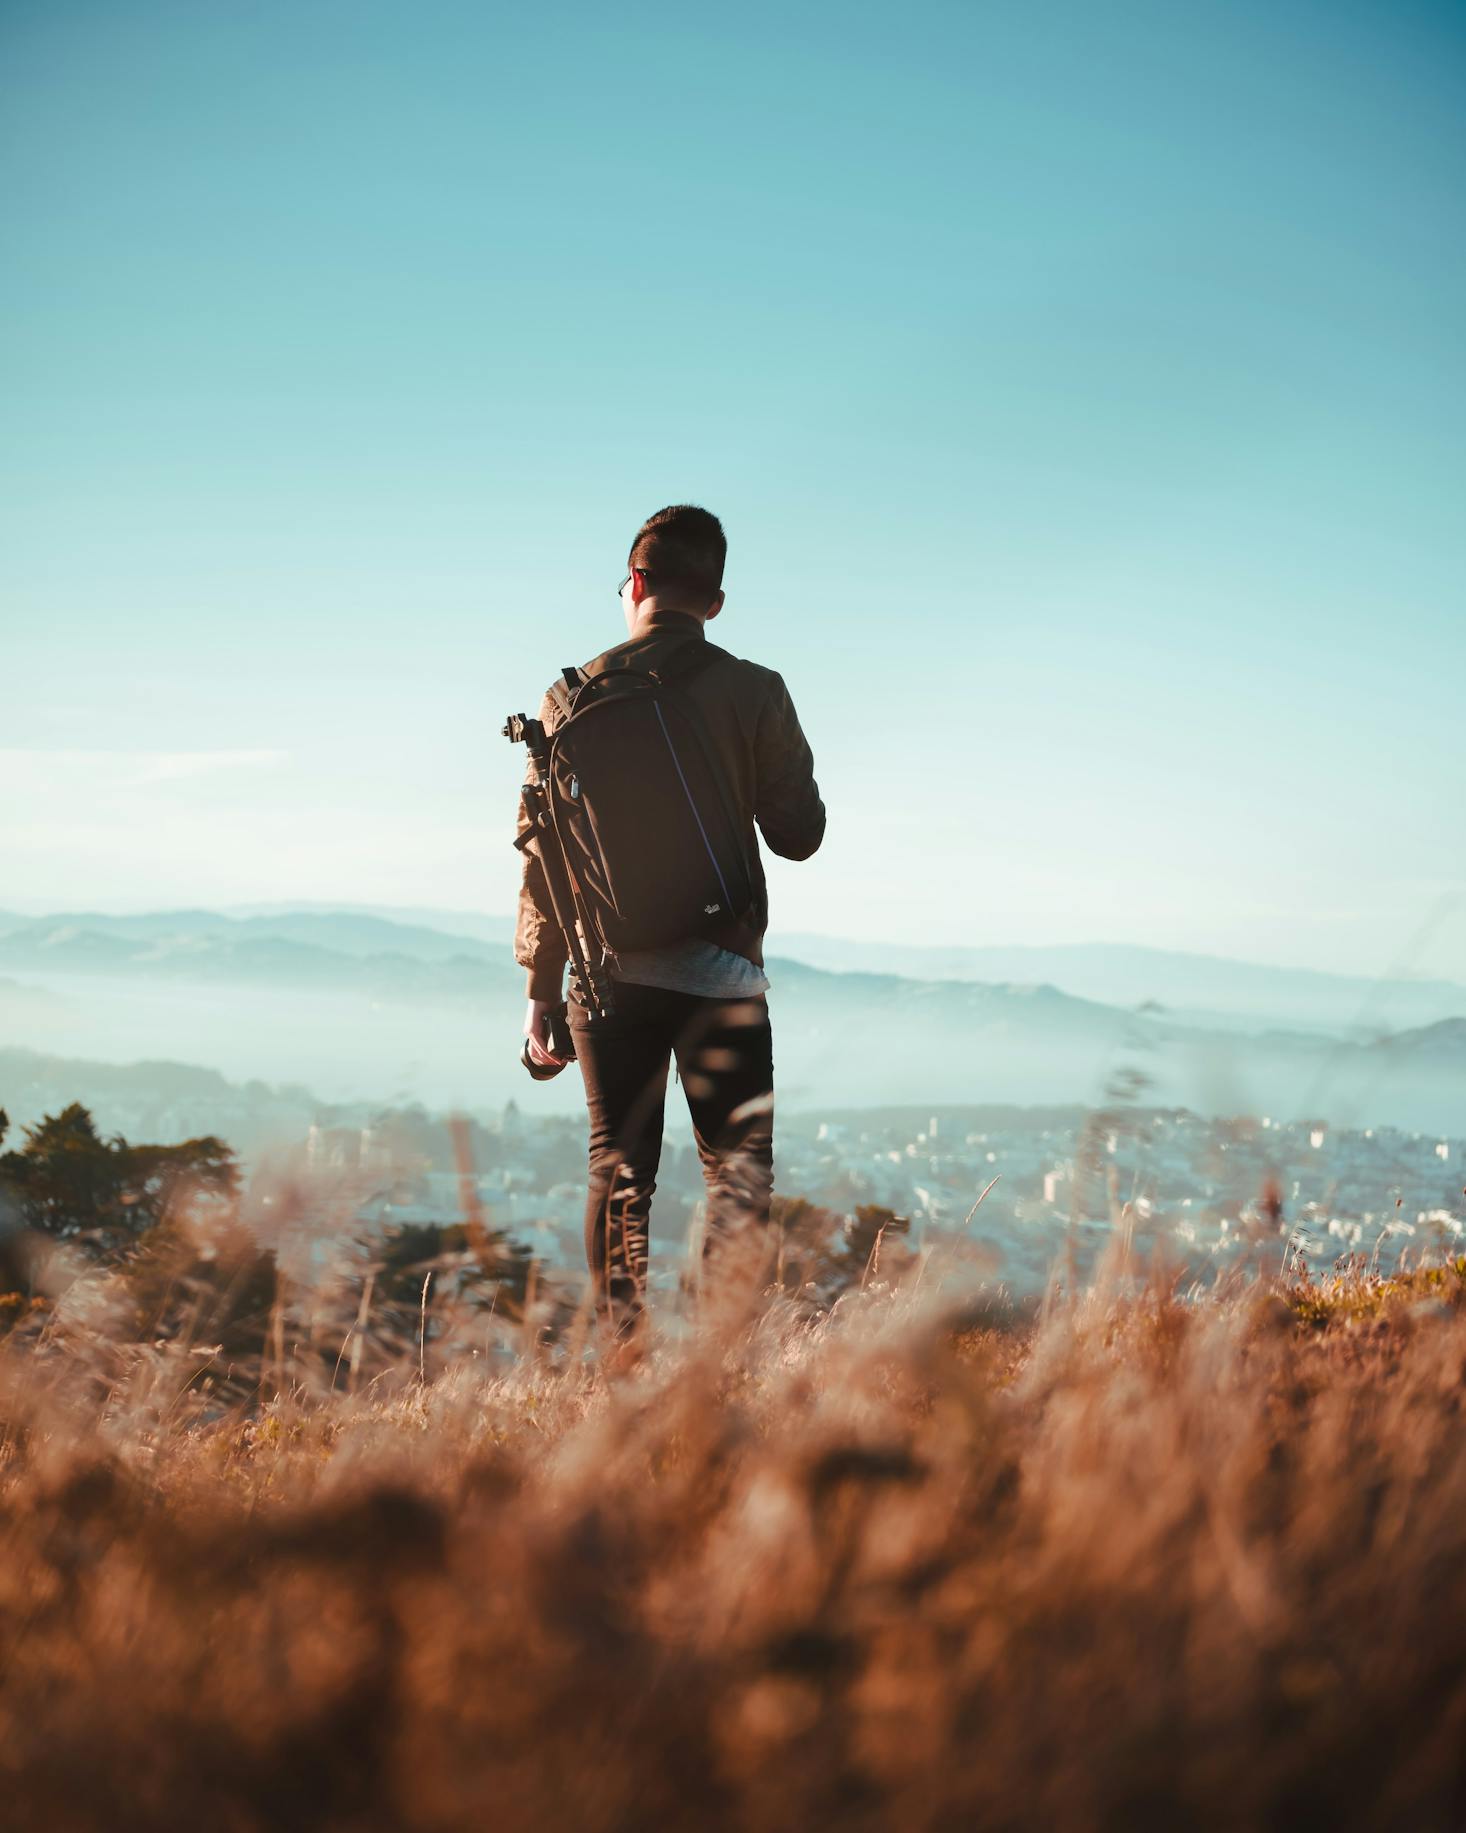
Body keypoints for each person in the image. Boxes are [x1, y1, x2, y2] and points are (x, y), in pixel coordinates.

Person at [513, 504, 825, 1336]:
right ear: (714, 602)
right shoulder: (755, 691)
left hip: (604, 976)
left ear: (637, 584)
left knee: (616, 1176)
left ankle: (622, 1371)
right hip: (722, 975)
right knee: (738, 1178)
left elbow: (545, 856)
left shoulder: (565, 697)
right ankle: (718, 1368)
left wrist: (539, 987)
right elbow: (801, 837)